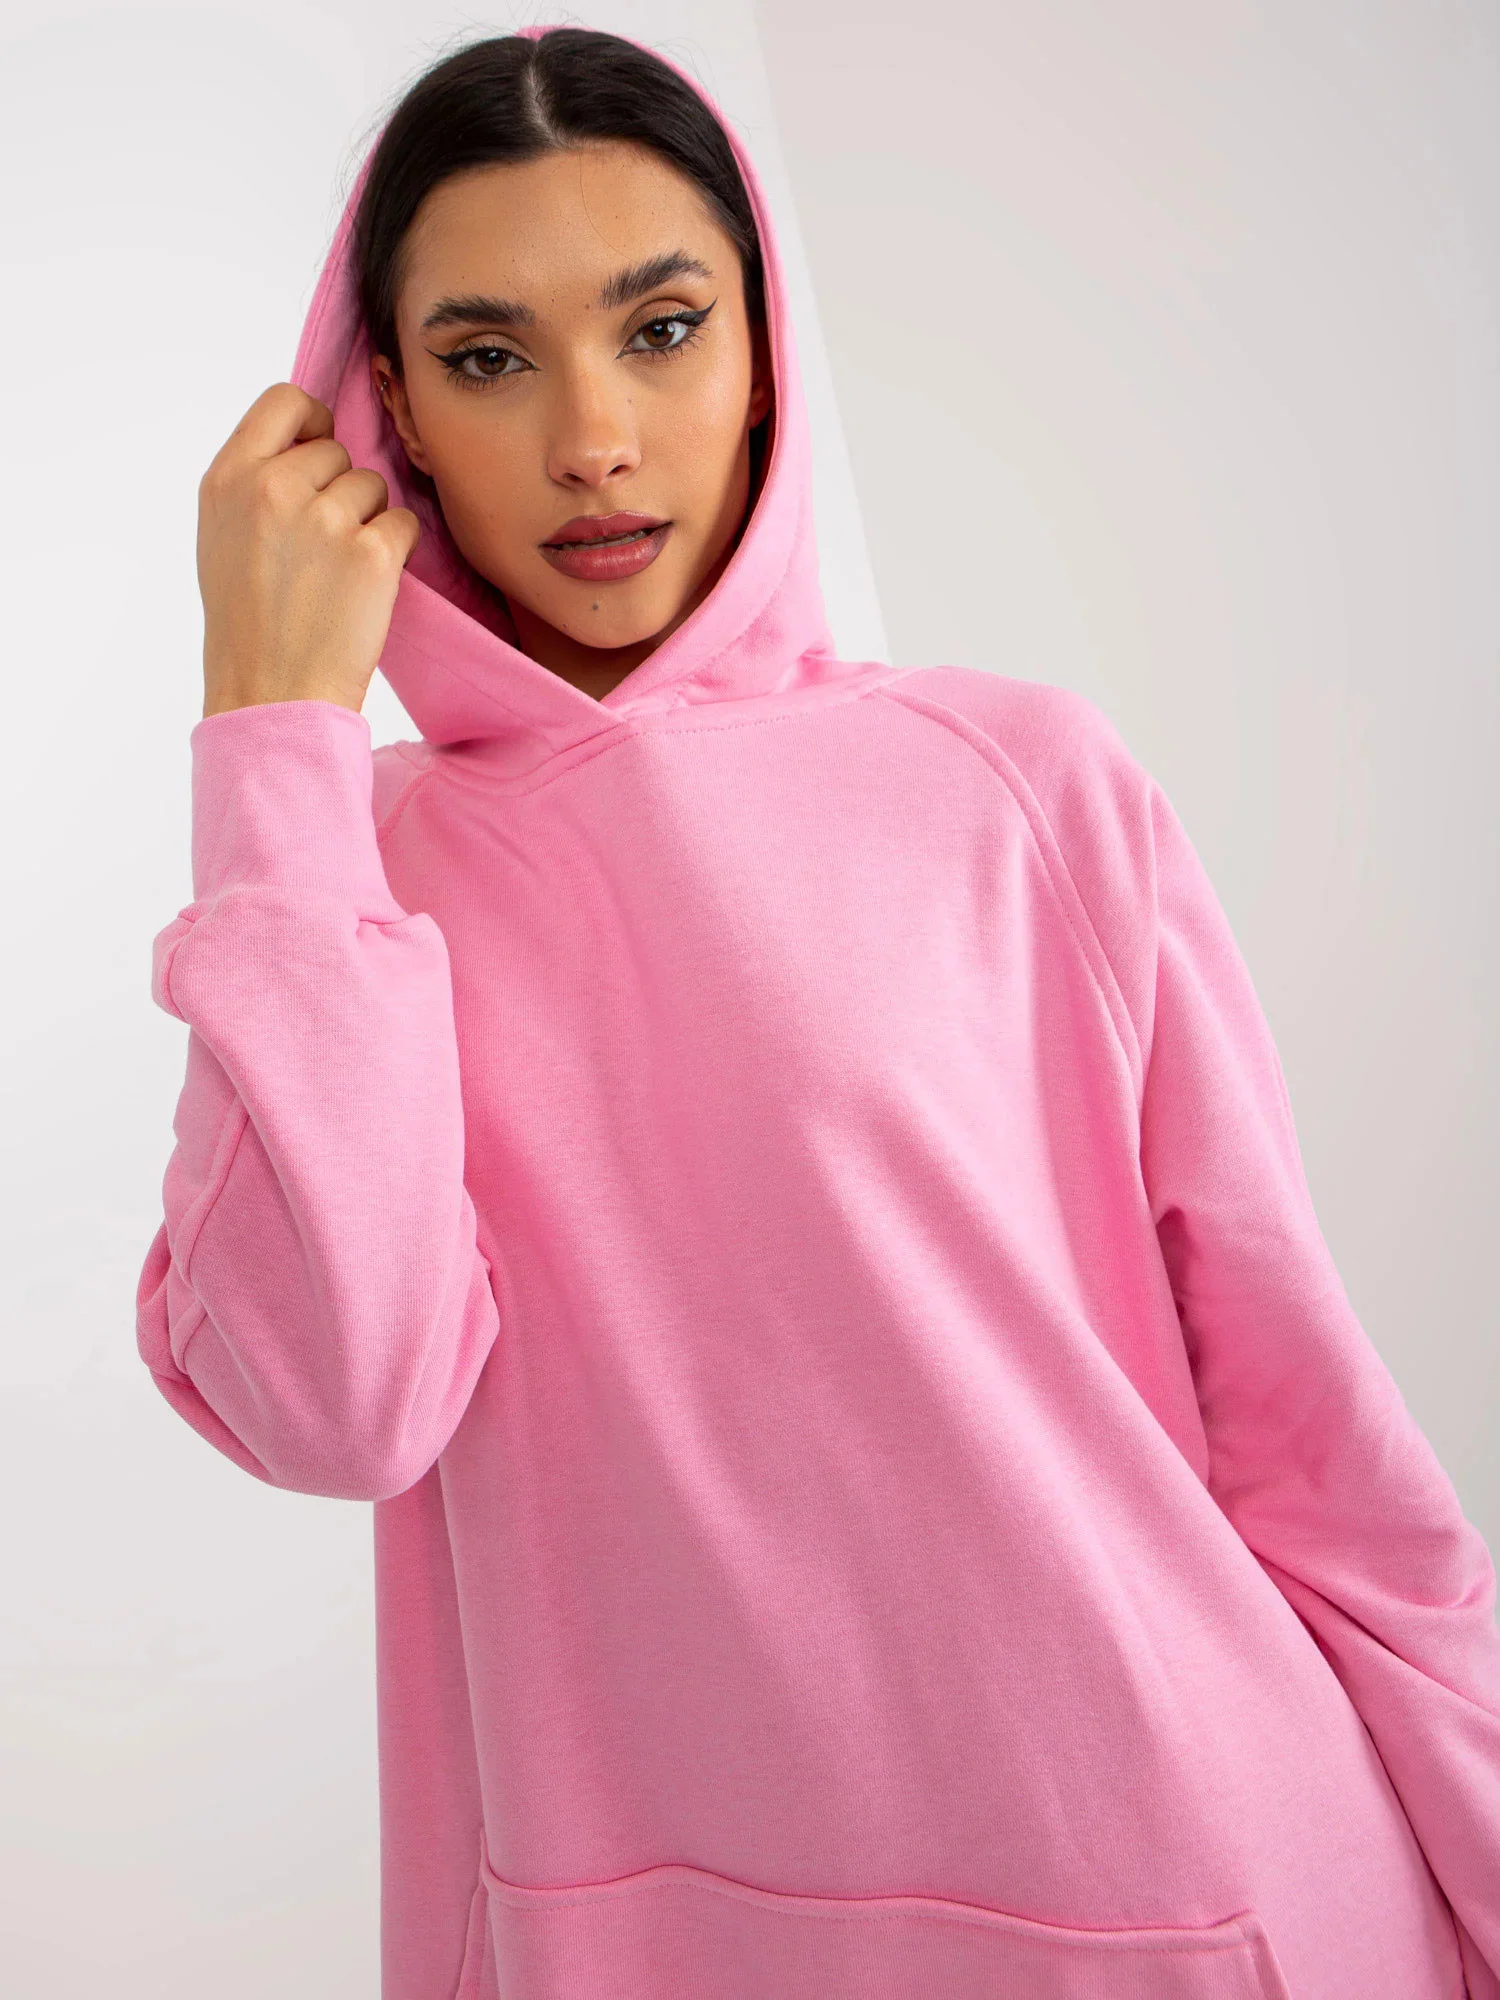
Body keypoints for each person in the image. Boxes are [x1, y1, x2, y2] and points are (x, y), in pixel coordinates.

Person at [136, 24, 1500, 2000]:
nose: (595, 437)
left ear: (767, 348)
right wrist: (271, 738)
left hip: (1192, 1885)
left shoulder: (1017, 784)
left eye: (662, 329)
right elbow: (338, 1399)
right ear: (394, 415)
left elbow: (1307, 1433)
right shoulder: (339, 885)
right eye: (491, 357)